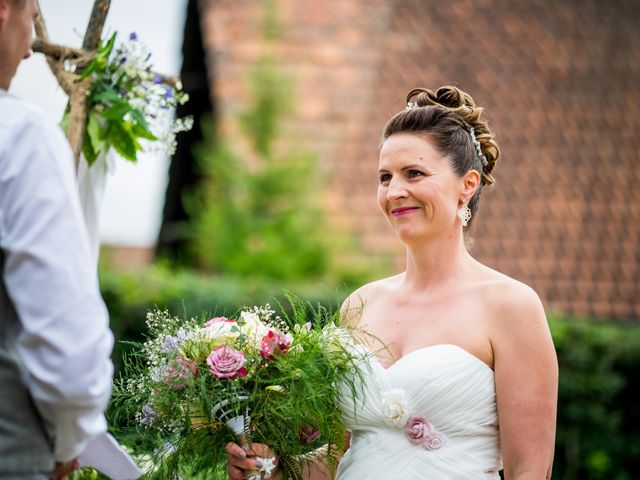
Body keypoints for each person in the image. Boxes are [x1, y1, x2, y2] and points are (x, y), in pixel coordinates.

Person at [226, 86, 558, 479]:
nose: (395, 191)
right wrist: (268, 469)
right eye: (385, 177)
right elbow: (334, 459)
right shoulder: (360, 304)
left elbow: (530, 472)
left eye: (414, 173)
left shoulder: (511, 306)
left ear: (467, 185)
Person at [0, 0, 114, 478]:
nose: (29, 50)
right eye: (30, 17)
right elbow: (65, 343)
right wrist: (70, 439)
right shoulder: (18, 134)